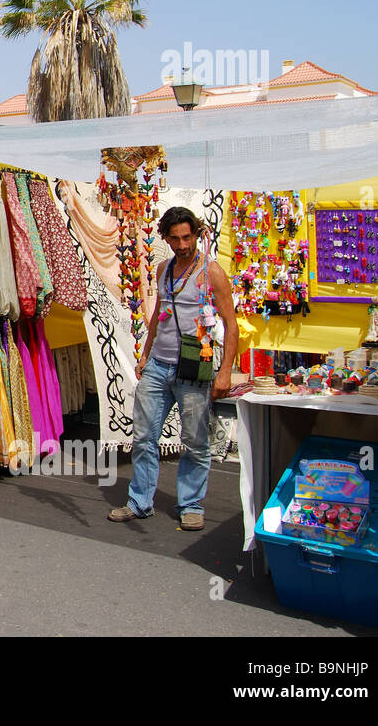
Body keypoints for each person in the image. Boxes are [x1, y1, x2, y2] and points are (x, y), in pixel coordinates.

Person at [108, 206, 238, 531]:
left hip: (194, 369)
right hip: (158, 366)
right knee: (143, 437)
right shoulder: (164, 268)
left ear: (196, 234)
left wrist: (225, 373)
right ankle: (139, 502)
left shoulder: (212, 273)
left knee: (195, 441)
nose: (182, 244)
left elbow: (231, 324)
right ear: (165, 238)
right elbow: (156, 317)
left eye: (187, 237)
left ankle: (191, 504)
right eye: (175, 238)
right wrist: (144, 354)